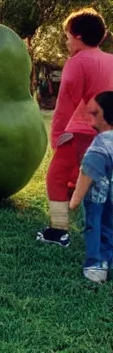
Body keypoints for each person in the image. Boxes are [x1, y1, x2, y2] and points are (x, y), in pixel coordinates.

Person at [38, 9, 113, 247]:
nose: (66, 41)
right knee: (90, 178)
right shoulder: (111, 60)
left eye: (67, 36)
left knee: (56, 178)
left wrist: (57, 135)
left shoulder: (77, 62)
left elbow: (66, 103)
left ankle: (58, 232)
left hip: (80, 133)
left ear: (78, 36)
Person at [69, 92, 113, 283]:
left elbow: (88, 171)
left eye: (95, 114)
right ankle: (108, 259)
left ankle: (96, 266)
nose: (91, 120)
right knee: (110, 226)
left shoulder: (100, 143)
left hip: (96, 197)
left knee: (93, 226)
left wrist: (75, 199)